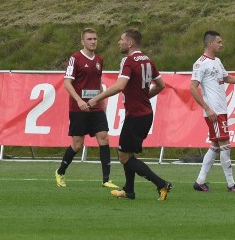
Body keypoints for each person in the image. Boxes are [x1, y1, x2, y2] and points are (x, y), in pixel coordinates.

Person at [87, 29, 172, 201]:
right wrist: (143, 96)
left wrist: (96, 98)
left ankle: (161, 183)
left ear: (130, 43)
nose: (119, 42)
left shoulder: (130, 61)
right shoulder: (148, 60)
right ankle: (129, 191)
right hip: (145, 113)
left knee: (123, 156)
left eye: (121, 40)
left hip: (136, 115)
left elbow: (119, 86)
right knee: (127, 154)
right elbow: (161, 85)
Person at [190, 31, 235, 193]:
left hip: (221, 110)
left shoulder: (217, 61)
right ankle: (231, 184)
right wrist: (207, 108)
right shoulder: (200, 64)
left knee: (215, 145)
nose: (221, 44)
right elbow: (192, 87)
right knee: (225, 145)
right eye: (219, 42)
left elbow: (227, 78)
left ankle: (200, 181)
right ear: (209, 44)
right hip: (213, 111)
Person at [55, 28, 119, 189]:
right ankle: (60, 171)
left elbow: (98, 83)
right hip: (79, 109)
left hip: (95, 107)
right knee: (77, 144)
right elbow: (67, 83)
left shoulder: (99, 60)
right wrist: (78, 101)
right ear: (82, 41)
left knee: (104, 137)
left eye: (95, 39)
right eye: (89, 39)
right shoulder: (75, 59)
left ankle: (106, 179)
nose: (93, 42)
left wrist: (102, 102)